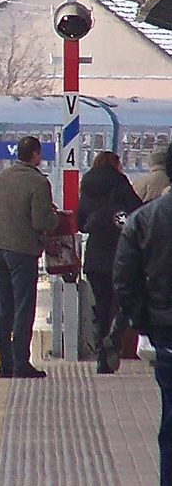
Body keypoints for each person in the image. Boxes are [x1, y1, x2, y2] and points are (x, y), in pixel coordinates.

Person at [114, 142, 172, 486]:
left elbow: (124, 280)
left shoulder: (146, 220)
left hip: (168, 339)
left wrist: (144, 324)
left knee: (171, 425)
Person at [0, 136, 59, 379]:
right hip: (22, 251)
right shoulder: (37, 182)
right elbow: (41, 221)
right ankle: (21, 362)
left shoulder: (3, 177)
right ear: (36, 155)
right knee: (23, 307)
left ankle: (4, 364)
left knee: (4, 307)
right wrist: (56, 218)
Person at [76, 151, 142, 373]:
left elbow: (79, 222)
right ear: (116, 164)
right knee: (127, 301)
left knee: (102, 307)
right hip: (119, 253)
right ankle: (113, 339)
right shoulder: (119, 181)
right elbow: (137, 210)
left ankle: (101, 359)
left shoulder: (86, 183)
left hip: (94, 255)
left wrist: (95, 223)